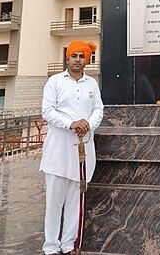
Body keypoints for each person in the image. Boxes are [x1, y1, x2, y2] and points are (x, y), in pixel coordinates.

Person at [40, 40, 104, 255]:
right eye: (74, 55)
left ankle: (68, 245)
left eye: (82, 56)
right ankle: (51, 247)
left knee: (75, 202)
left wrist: (88, 124)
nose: (78, 59)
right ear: (67, 58)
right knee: (54, 203)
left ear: (87, 59)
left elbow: (98, 109)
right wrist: (70, 124)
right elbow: (47, 111)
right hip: (59, 150)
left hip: (83, 151)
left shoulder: (91, 84)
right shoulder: (55, 81)